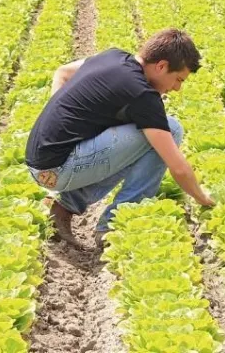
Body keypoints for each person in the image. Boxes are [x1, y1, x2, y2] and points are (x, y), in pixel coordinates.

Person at [25, 28, 215, 248]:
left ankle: (63, 207)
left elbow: (62, 72)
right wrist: (203, 200)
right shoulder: (142, 94)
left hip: (40, 163)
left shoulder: (112, 56)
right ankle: (114, 224)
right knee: (170, 129)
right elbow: (178, 167)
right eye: (178, 79)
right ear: (161, 66)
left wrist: (58, 113)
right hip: (58, 170)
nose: (177, 88)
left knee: (139, 131)